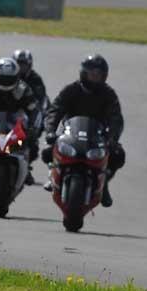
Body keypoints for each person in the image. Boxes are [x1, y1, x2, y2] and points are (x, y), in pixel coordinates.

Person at [42, 54, 124, 208]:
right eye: (92, 74)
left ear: (104, 76)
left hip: (97, 136)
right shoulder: (71, 90)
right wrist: (50, 131)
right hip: (70, 133)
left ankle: (104, 181)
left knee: (118, 155)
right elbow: (55, 110)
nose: (95, 78)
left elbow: (116, 118)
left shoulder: (108, 94)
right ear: (84, 73)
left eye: (98, 75)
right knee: (47, 151)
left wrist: (113, 138)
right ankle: (53, 174)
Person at [13, 49, 48, 184]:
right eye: (18, 64)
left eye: (24, 64)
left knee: (30, 142)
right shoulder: (7, 76)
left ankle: (25, 167)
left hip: (26, 114)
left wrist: (38, 117)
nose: (21, 68)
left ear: (29, 65)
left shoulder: (35, 79)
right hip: (7, 113)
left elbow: (41, 99)